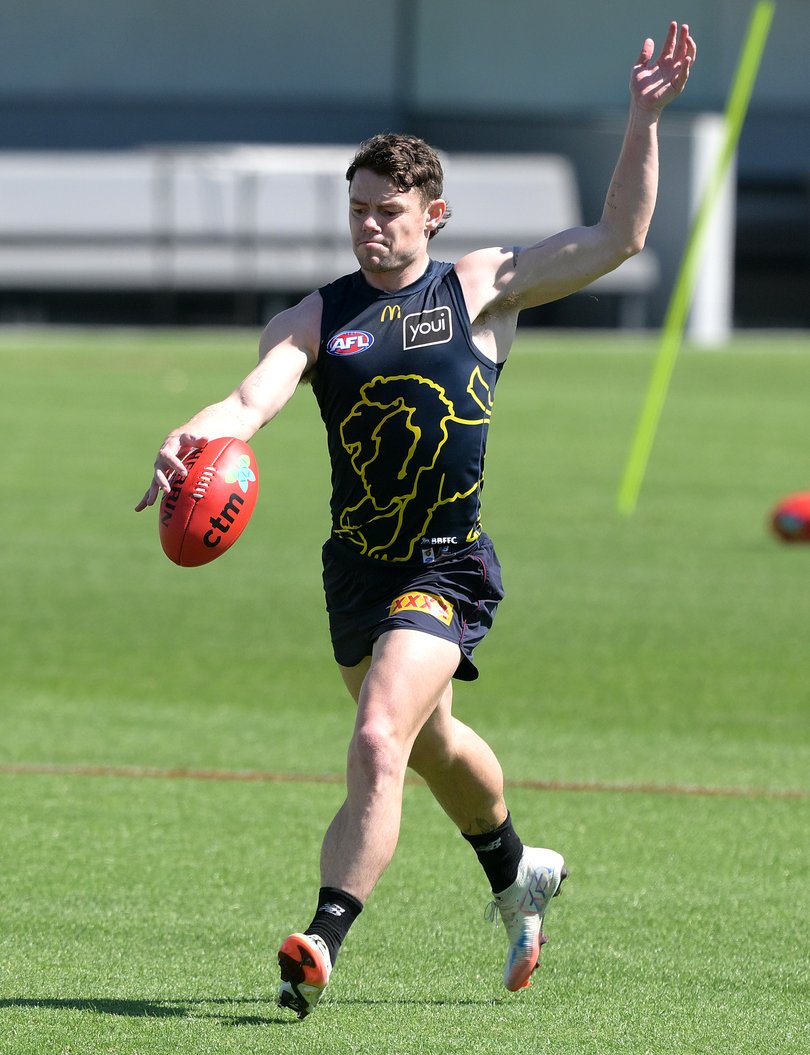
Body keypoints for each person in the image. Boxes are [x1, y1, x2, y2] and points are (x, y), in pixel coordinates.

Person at [136, 22, 695, 1019]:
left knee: (378, 737)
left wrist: (644, 118)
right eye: (357, 211)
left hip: (444, 565)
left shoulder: (480, 287)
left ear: (433, 214)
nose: (369, 228)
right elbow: (251, 401)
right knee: (431, 742)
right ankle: (519, 869)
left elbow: (619, 238)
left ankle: (322, 937)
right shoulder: (314, 315)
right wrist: (192, 433)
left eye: (388, 212)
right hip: (356, 572)